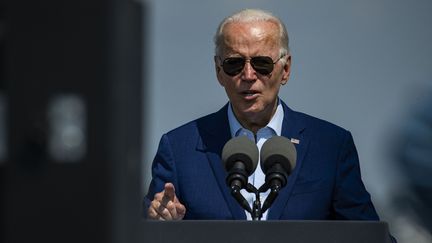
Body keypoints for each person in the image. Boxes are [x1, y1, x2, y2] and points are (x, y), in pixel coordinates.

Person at [144, 8, 380, 222]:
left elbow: (368, 234)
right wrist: (161, 224)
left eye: (261, 63)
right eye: (234, 64)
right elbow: (145, 229)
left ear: (285, 69)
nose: (248, 74)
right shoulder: (179, 148)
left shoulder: (330, 146)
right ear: (218, 71)